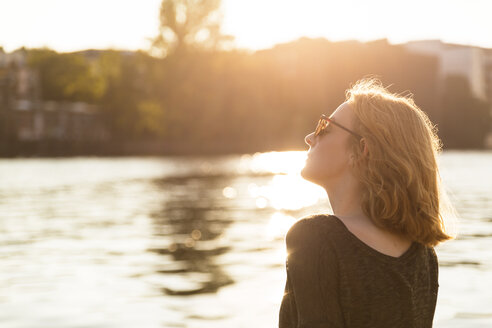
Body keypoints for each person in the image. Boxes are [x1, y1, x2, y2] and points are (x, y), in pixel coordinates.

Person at [278, 78, 456, 328]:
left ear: (361, 149)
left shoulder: (315, 237)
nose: (310, 137)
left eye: (324, 127)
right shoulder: (424, 256)